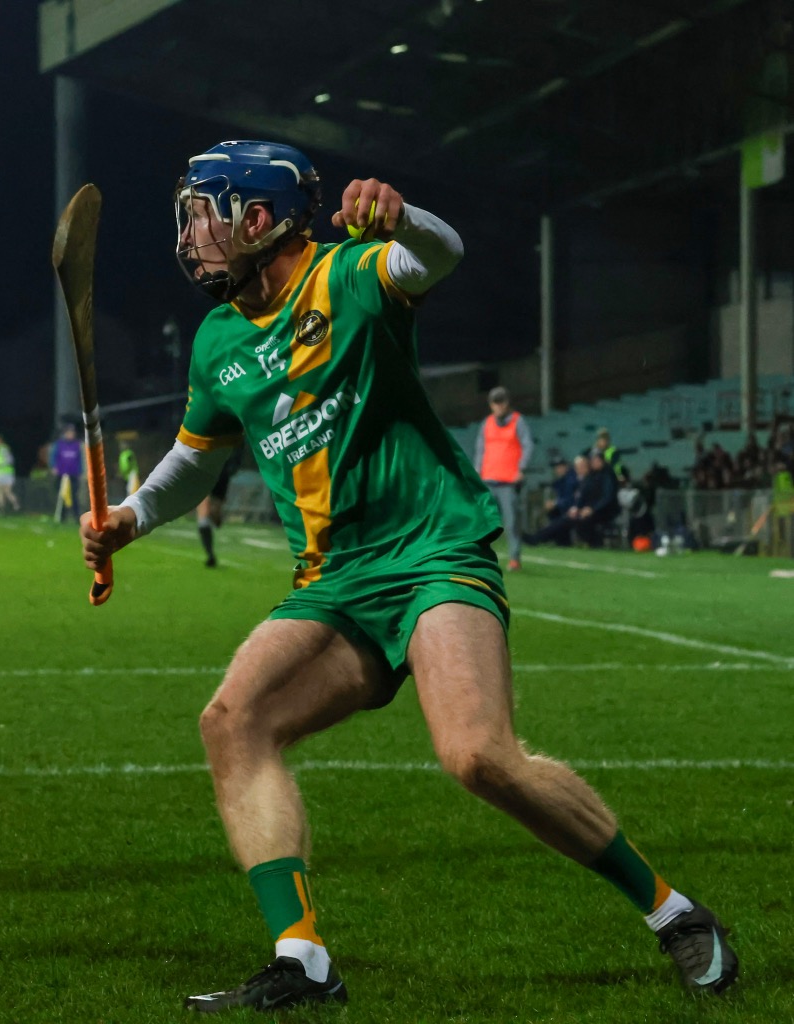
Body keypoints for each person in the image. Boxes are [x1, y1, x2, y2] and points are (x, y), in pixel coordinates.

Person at [79, 139, 737, 1014]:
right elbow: (198, 459)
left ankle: (675, 912)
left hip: (432, 552)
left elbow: (437, 255)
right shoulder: (218, 340)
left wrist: (402, 215)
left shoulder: (350, 274)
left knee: (479, 757)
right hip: (334, 580)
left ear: (259, 218)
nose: (188, 236)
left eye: (202, 215)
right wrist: (130, 516)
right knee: (233, 722)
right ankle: (303, 959)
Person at [474, 386, 534, 570]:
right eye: (495, 402)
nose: (498, 406)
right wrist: (477, 472)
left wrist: (522, 468)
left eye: (501, 402)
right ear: (491, 404)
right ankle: (481, 557)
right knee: (484, 522)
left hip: (508, 481)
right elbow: (480, 450)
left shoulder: (517, 421)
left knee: (511, 522)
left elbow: (527, 445)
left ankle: (514, 558)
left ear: (507, 403)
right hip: (488, 479)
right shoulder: (487, 423)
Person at [197, 446, 243, 567]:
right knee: (203, 521)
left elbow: (238, 451)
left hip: (221, 475)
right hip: (206, 472)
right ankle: (210, 555)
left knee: (214, 514)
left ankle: (216, 517)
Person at [573, 449, 621, 547]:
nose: (594, 462)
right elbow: (584, 493)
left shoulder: (608, 474)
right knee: (577, 519)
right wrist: (579, 507)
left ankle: (596, 543)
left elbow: (608, 497)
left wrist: (592, 509)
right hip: (593, 508)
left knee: (586, 520)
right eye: (592, 460)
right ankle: (591, 543)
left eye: (597, 460)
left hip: (607, 510)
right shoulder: (592, 475)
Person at [52, 423, 83, 522]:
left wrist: (80, 471)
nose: (71, 434)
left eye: (72, 432)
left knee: (74, 495)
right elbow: (54, 457)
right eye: (69, 432)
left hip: (73, 474)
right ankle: (62, 517)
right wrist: (54, 467)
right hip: (62, 474)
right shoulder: (59, 444)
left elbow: (79, 459)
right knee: (62, 495)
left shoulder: (77, 445)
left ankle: (76, 516)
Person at [0, 433, 20, 512]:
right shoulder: (3, 449)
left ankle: (1, 508)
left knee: (0, 491)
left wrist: (0, 465)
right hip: (7, 473)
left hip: (3, 473)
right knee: (6, 492)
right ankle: (15, 505)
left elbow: (9, 460)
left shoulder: (2, 449)